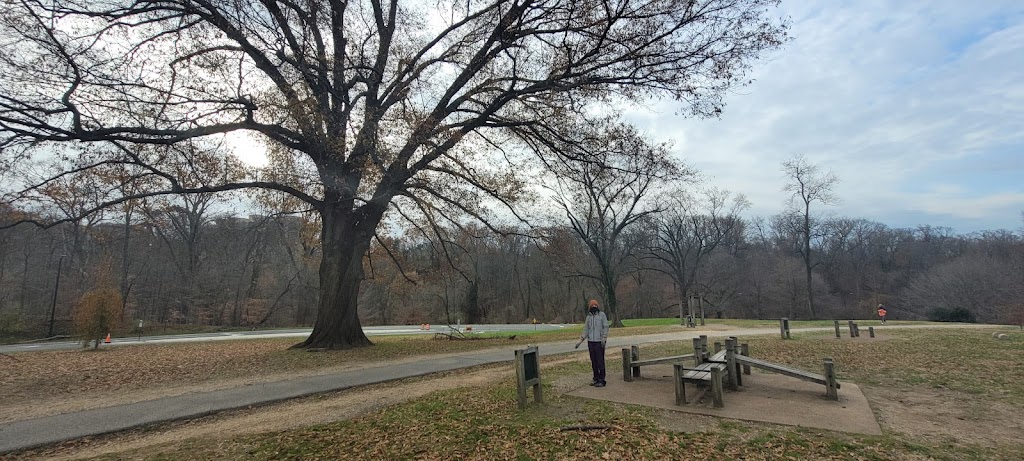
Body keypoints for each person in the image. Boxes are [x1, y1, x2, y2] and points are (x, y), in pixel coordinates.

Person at [579, 299, 610, 387]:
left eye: (595, 306)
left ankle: (602, 379)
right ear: (590, 307)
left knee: (600, 361)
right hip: (591, 342)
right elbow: (586, 330)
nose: (594, 307)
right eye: (592, 306)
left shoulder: (602, 315)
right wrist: (581, 339)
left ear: (597, 306)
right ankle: (595, 378)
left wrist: (604, 338)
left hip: (599, 342)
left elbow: (605, 327)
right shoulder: (588, 317)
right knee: (594, 361)